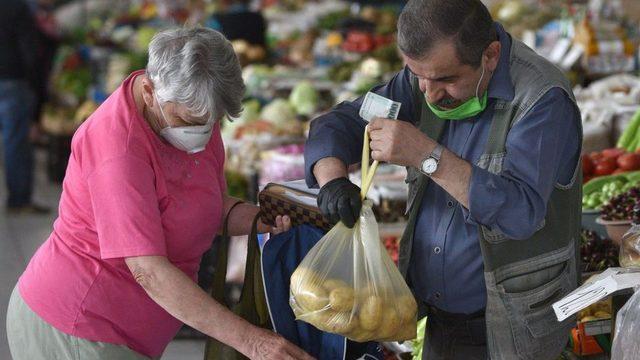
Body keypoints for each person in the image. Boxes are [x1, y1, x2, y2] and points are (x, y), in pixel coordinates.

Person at [7, 27, 313, 360]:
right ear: (150, 91)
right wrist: (252, 342)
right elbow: (147, 269)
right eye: (186, 119)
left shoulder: (192, 108)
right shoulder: (117, 149)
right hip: (79, 328)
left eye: (211, 122)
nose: (200, 132)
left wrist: (262, 218)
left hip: (133, 333)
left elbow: (203, 207)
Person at [305, 0, 582, 359]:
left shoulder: (541, 100)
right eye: (417, 76)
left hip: (514, 329)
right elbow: (339, 122)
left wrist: (426, 155)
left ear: (491, 55)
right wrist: (333, 181)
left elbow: (520, 213)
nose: (430, 93)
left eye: (446, 80)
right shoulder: (422, 79)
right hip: (440, 325)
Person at [0, 0, 49, 214]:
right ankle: (19, 201)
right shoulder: (17, 7)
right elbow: (30, 49)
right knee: (16, 141)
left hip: (12, 80)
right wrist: (37, 88)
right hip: (13, 79)